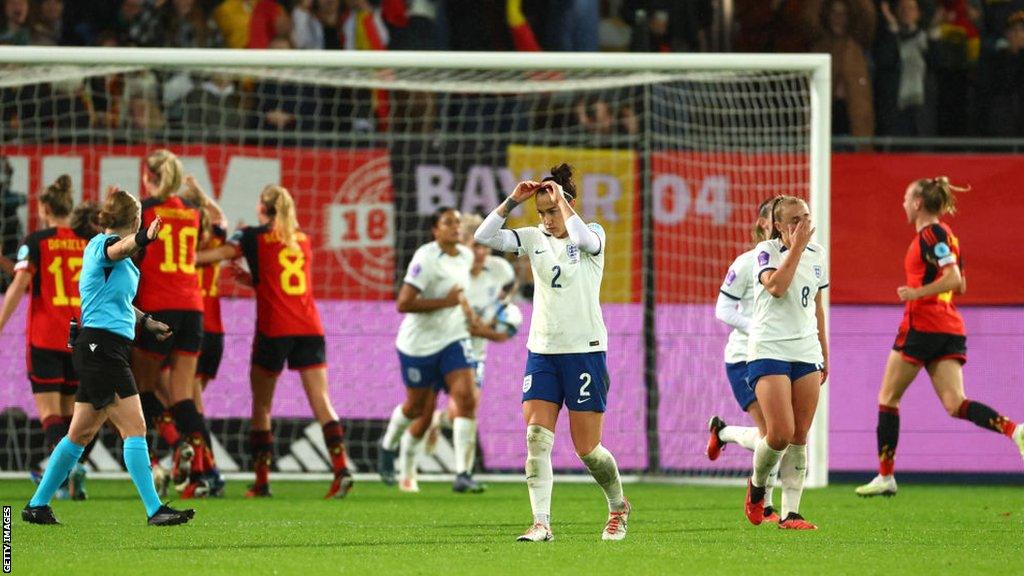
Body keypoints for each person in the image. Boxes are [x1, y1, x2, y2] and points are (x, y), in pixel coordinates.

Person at [475, 164, 630, 542]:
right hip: (542, 351)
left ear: (568, 203)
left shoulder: (592, 233)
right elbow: (484, 235)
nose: (546, 219)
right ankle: (541, 522)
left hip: (584, 352)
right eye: (541, 212)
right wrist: (514, 200)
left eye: (552, 211)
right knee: (536, 438)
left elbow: (583, 237)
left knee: (588, 450)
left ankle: (618, 507)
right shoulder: (532, 238)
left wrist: (561, 200)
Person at [22, 187, 194, 526]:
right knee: (135, 426)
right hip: (101, 349)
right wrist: (144, 237)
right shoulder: (102, 245)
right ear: (135, 220)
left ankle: (37, 505)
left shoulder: (115, 259)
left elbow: (118, 302)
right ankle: (154, 510)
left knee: (79, 435)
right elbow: (120, 248)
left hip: (102, 347)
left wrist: (147, 322)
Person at [856, 178, 1024, 497]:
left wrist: (916, 293)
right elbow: (957, 280)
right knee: (954, 403)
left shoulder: (931, 234)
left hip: (923, 323)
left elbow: (955, 279)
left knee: (888, 398)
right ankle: (1014, 430)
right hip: (948, 325)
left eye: (906, 198)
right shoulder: (947, 235)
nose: (903, 204)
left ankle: (886, 476)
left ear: (918, 203)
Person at [196, 185, 353, 499]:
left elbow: (213, 256)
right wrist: (255, 280)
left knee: (262, 405)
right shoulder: (302, 239)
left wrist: (168, 257)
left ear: (262, 207)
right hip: (309, 326)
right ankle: (342, 468)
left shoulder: (251, 236)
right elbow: (282, 280)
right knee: (322, 401)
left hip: (274, 329)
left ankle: (262, 481)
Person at [0, 176, 94, 499]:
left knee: (50, 414)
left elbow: (20, 285)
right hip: (80, 336)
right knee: (71, 416)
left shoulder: (37, 240)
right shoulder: (87, 241)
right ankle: (70, 476)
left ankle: (68, 472)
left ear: (44, 208)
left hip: (45, 337)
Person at [377, 207, 480, 494]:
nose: (456, 227)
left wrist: (465, 312)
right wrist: (445, 303)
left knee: (467, 398)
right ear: (435, 230)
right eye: (448, 222)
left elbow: (459, 295)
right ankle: (387, 447)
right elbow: (404, 303)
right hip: (418, 345)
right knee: (417, 408)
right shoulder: (425, 257)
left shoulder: (466, 256)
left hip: (453, 339)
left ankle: (463, 473)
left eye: (458, 222)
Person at [129, 149, 213, 498]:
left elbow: (130, 250)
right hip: (192, 307)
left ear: (148, 177)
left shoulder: (145, 210)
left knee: (143, 386)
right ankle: (200, 474)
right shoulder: (192, 213)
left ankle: (170, 448)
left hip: (157, 307)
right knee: (183, 395)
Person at [743, 195, 828, 531]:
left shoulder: (818, 254)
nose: (802, 225)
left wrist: (823, 349)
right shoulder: (766, 252)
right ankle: (757, 486)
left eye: (805, 217)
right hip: (769, 348)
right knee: (779, 434)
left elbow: (817, 306)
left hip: (806, 350)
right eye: (794, 220)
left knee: (800, 435)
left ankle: (792, 513)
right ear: (777, 225)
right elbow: (777, 287)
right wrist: (795, 247)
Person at [423, 214, 519, 492]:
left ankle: (462, 473)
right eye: (473, 245)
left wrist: (499, 311)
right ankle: (431, 424)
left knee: (467, 405)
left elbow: (509, 288)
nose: (480, 252)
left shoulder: (500, 269)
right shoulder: (449, 271)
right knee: (436, 404)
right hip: (441, 344)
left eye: (484, 246)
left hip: (474, 351)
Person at [705, 197, 781, 523]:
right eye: (776, 218)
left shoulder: (793, 263)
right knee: (772, 435)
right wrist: (757, 329)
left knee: (779, 437)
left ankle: (722, 433)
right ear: (764, 223)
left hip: (777, 355)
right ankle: (767, 503)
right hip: (743, 358)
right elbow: (723, 309)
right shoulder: (746, 263)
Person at [177, 176, 227, 496]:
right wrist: (202, 193)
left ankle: (208, 471)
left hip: (194, 327)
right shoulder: (217, 240)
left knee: (188, 405)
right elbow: (220, 217)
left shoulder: (186, 243)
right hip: (216, 333)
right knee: (194, 405)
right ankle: (199, 468)